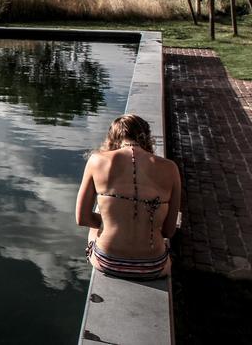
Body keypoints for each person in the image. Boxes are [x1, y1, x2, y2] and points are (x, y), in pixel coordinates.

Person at [75, 114, 182, 280]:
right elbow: (169, 231)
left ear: (112, 138)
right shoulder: (170, 168)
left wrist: (111, 220)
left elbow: (82, 218)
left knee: (97, 215)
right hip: (154, 266)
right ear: (147, 137)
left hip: (107, 261)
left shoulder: (96, 161)